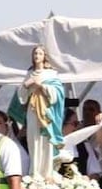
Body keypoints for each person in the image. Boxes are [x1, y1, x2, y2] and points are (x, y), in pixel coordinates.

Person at [10, 45, 65, 181]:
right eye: (35, 53)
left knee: (46, 139)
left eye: (40, 53)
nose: (37, 56)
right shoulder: (29, 74)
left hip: (46, 112)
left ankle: (47, 172)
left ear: (44, 56)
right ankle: (35, 172)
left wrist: (42, 86)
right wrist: (26, 85)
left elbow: (58, 93)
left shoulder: (51, 74)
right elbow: (21, 96)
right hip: (32, 110)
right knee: (33, 139)